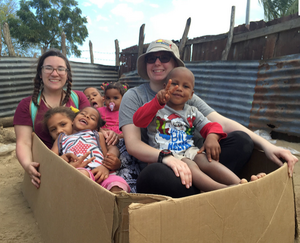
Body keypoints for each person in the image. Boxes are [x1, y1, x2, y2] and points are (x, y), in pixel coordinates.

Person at [119, 39, 298, 198]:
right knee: (154, 174)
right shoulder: (136, 96)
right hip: (161, 167)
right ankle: (221, 191)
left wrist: (268, 146)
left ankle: (235, 187)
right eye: (151, 58)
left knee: (241, 141)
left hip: (191, 155)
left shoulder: (189, 101)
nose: (157, 62)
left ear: (175, 64)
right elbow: (133, 143)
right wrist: (165, 157)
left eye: (164, 57)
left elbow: (220, 123)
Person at [132, 67, 257, 192]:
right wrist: (156, 102)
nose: (179, 88)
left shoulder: (192, 112)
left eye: (185, 86)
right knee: (190, 165)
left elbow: (212, 126)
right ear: (165, 87)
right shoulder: (156, 108)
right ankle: (222, 190)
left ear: (192, 94)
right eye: (174, 84)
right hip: (166, 156)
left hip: (189, 150)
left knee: (204, 159)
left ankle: (241, 183)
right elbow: (138, 120)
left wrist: (212, 137)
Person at [47, 106, 130, 193]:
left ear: (96, 128)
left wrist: (111, 160)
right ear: (73, 120)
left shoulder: (97, 135)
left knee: (118, 183)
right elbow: (51, 158)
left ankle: (117, 205)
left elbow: (113, 148)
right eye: (82, 114)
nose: (86, 116)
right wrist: (62, 159)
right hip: (79, 170)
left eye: (92, 118)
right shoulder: (62, 138)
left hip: (102, 171)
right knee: (82, 175)